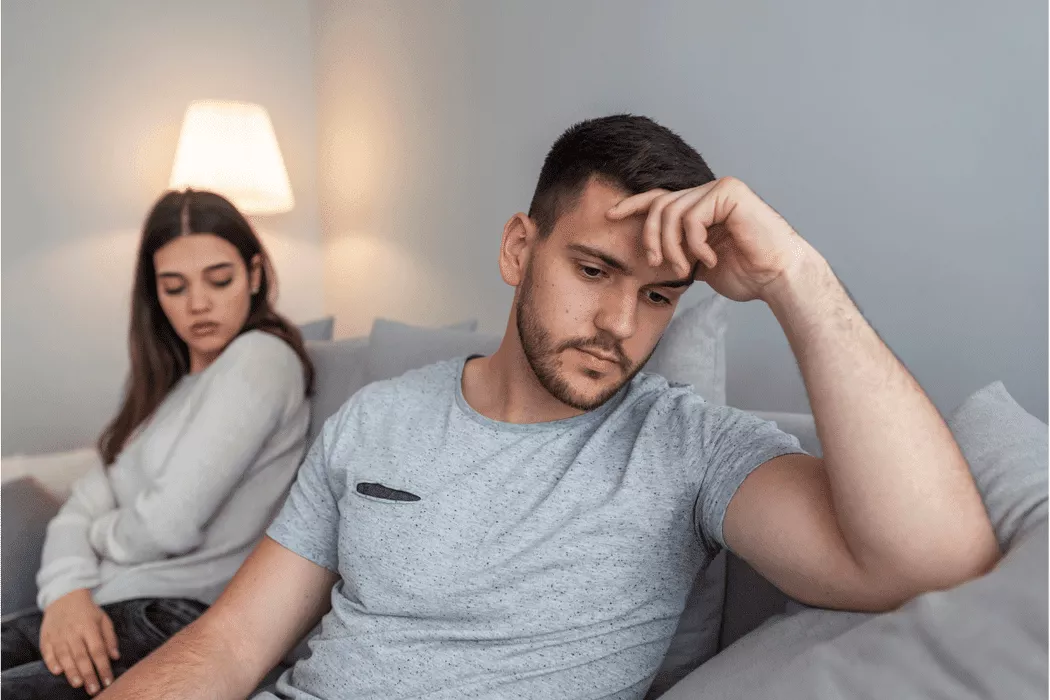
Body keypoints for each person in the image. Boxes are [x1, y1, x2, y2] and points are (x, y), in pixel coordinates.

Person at [101, 115, 998, 700]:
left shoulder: (685, 446)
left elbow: (936, 560)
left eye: (657, 297)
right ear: (518, 249)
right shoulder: (375, 419)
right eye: (595, 270)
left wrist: (792, 275)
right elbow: (229, 645)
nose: (617, 324)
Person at [1, 189, 315, 700]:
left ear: (255, 275)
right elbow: (79, 505)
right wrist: (65, 593)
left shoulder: (261, 360)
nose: (198, 304)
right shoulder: (161, 390)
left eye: (220, 279)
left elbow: (167, 526)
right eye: (174, 287)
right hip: (104, 603)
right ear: (155, 293)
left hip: (175, 616)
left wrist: (95, 538)